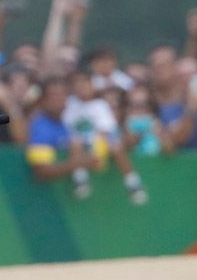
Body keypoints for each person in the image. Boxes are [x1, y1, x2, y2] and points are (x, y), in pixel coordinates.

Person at [63, 71, 148, 203]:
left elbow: (107, 131)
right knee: (75, 142)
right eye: (76, 83)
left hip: (98, 145)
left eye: (84, 82)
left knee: (117, 147)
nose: (80, 86)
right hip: (75, 145)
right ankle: (81, 180)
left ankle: (133, 184)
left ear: (91, 84)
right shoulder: (68, 104)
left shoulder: (100, 105)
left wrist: (95, 144)